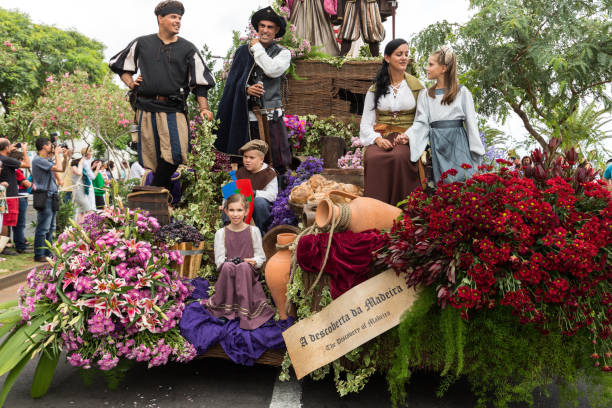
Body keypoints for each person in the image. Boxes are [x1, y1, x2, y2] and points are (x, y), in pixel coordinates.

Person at [109, 0, 215, 190]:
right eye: (173, 17)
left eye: (180, 18)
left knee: (176, 154)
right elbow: (119, 65)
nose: (178, 21)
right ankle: (160, 203)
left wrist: (204, 108)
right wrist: (131, 83)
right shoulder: (142, 43)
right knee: (153, 158)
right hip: (146, 108)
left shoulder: (188, 48)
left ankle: (153, 192)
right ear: (160, 18)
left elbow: (200, 82)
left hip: (174, 109)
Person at [215, 6, 293, 172]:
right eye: (262, 26)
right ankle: (238, 196)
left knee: (274, 161)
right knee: (242, 162)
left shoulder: (283, 54)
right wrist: (246, 89)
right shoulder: (243, 52)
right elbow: (232, 84)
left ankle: (271, 196)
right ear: (257, 28)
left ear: (277, 30)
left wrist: (257, 47)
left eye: (270, 27)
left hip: (271, 117)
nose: (265, 30)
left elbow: (272, 70)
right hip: (244, 117)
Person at [359, 39, 424, 205]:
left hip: (407, 138)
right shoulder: (374, 89)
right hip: (382, 137)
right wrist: (378, 140)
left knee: (401, 156)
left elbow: (422, 120)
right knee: (373, 157)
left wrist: (407, 136)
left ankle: (403, 211)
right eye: (399, 54)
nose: (404, 58)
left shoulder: (417, 87)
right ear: (387, 58)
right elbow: (366, 124)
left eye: (406, 54)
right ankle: (376, 211)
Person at [407, 45, 485, 183]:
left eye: (431, 64)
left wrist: (476, 152)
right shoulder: (425, 95)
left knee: (462, 182)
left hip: (458, 145)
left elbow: (471, 125)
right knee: (443, 187)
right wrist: (407, 136)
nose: (427, 68)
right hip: (438, 145)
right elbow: (421, 122)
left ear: (443, 68)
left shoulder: (462, 92)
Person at [204, 193, 275, 330]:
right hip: (229, 273)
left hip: (247, 273)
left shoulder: (253, 231)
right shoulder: (221, 233)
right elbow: (219, 260)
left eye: (239, 210)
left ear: (246, 211)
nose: (235, 214)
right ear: (226, 211)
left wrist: (253, 261)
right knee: (228, 267)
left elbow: (261, 257)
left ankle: (246, 311)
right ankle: (226, 310)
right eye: (231, 210)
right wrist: (228, 262)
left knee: (243, 267)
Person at [31, 137, 72, 262]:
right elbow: (58, 168)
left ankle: (47, 253)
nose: (52, 147)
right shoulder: (38, 160)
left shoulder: (45, 160)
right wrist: (57, 154)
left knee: (50, 227)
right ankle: (39, 254)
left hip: (52, 196)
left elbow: (62, 168)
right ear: (44, 146)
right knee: (43, 227)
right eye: (50, 145)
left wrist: (64, 157)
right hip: (45, 196)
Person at [236, 140, 278, 233]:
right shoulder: (240, 172)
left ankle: (263, 234)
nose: (247, 160)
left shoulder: (269, 173)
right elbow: (232, 192)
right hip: (243, 205)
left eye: (251, 158)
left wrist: (254, 193)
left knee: (259, 202)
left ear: (261, 159)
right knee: (230, 204)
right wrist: (225, 203)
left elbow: (272, 195)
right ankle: (231, 234)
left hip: (262, 208)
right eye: (245, 157)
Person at [0, 139, 30, 256]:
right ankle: (2, 248)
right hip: (9, 196)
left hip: (4, 194)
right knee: (6, 222)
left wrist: (8, 147)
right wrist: (24, 151)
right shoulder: (7, 160)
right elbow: (27, 164)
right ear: (6, 148)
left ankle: (4, 246)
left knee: (3, 221)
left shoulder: (3, 159)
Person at [10, 151, 32, 254]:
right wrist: (33, 183)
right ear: (19, 161)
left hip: (15, 197)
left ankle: (20, 242)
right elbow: (27, 184)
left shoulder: (10, 170)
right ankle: (20, 246)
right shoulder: (17, 171)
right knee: (20, 223)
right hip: (20, 197)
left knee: (16, 223)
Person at [70, 156, 95, 223]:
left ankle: (79, 227)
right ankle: (92, 225)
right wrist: (80, 163)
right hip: (78, 192)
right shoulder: (73, 167)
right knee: (89, 209)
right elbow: (79, 173)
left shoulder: (80, 167)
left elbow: (90, 175)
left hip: (82, 191)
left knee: (82, 211)